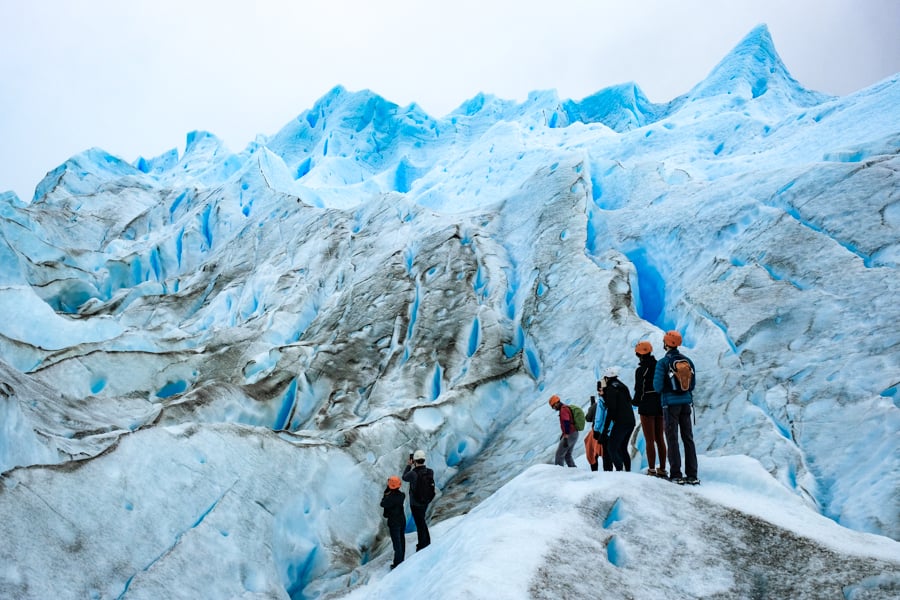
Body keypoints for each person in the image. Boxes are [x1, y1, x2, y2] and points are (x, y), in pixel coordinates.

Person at [653, 330, 699, 485]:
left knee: (672, 439)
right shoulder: (688, 361)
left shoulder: (663, 363)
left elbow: (657, 386)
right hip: (686, 404)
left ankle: (676, 474)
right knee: (688, 438)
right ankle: (692, 474)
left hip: (670, 405)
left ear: (666, 343)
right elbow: (691, 385)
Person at [634, 341, 667, 478]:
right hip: (660, 404)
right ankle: (663, 469)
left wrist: (635, 402)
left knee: (649, 440)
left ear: (638, 354)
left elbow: (639, 389)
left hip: (647, 405)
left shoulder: (641, 370)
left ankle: (652, 469)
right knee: (660, 438)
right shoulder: (659, 366)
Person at [600, 367, 636, 471]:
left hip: (621, 422)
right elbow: (629, 400)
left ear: (606, 378)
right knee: (622, 447)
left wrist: (605, 430)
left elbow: (611, 410)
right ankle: (627, 471)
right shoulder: (623, 386)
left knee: (611, 448)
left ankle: (620, 471)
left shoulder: (611, 389)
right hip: (631, 421)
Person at [402, 450, 433, 550]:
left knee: (420, 524)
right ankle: (426, 541)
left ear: (414, 461)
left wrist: (408, 465)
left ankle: (422, 544)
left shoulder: (413, 474)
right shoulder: (430, 471)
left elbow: (404, 477)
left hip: (415, 503)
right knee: (422, 521)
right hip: (425, 501)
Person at [380, 475, 406, 569]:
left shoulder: (389, 498)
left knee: (397, 543)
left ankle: (397, 564)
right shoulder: (402, 495)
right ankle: (401, 559)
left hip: (394, 522)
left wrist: (386, 494)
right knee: (402, 539)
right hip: (402, 520)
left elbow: (382, 503)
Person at [549, 394, 579, 467]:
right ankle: (574, 470)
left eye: (553, 406)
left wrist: (565, 437)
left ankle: (558, 473)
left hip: (570, 434)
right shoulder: (565, 408)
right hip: (574, 433)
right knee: (567, 454)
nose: (554, 408)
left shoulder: (563, 410)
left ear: (556, 403)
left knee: (559, 454)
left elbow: (566, 422)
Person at [583, 395, 603, 471]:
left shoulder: (596, 405)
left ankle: (594, 470)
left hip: (597, 431)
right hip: (611, 431)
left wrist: (591, 408)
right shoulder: (613, 403)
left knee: (590, 449)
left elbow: (588, 418)